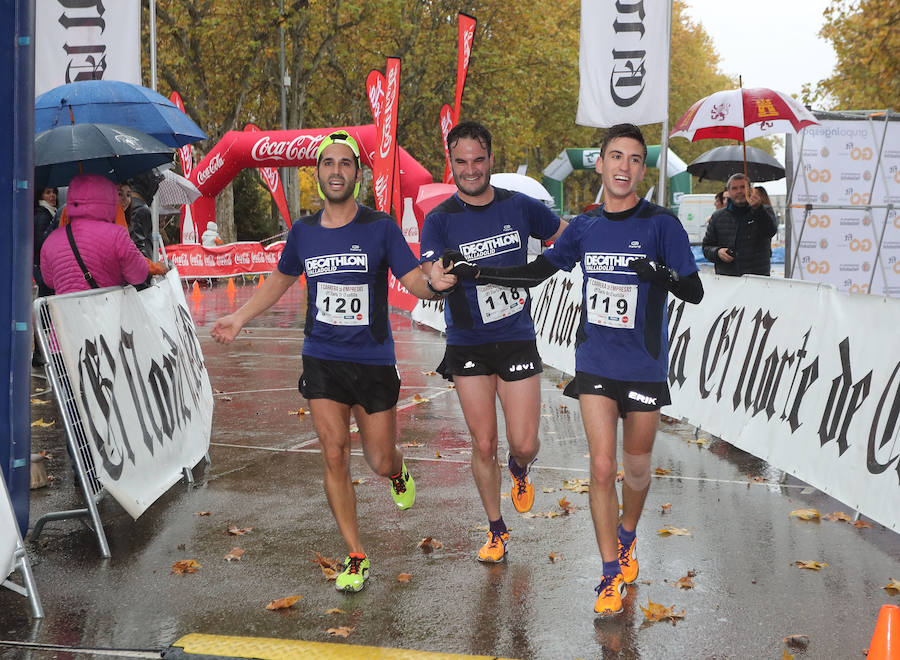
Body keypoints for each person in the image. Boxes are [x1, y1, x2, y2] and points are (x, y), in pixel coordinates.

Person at [437, 123, 704, 615]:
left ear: (641, 170)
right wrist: (477, 272)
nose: (623, 166)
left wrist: (658, 274)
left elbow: (693, 290)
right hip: (596, 361)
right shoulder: (584, 228)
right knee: (602, 467)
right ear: (599, 164)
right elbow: (535, 272)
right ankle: (608, 574)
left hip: (644, 365)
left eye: (633, 159)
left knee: (637, 468)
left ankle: (628, 536)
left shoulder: (661, 225)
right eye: (615, 157)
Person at [210, 131, 456, 593]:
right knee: (334, 452)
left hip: (373, 362)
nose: (336, 171)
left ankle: (398, 470)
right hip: (322, 358)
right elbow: (279, 281)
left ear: (357, 175)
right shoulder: (303, 232)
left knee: (379, 459)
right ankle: (356, 554)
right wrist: (239, 317)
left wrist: (437, 283)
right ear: (317, 173)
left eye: (346, 163)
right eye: (329, 164)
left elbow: (413, 281)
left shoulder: (380, 227)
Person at [419, 120, 567, 564]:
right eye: (461, 162)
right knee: (483, 443)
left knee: (523, 443)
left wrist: (550, 263)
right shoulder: (440, 219)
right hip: (467, 343)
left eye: (478, 160)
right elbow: (429, 270)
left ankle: (520, 470)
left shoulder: (520, 207)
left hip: (516, 336)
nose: (470, 170)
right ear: (452, 163)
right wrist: (437, 278)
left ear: (490, 159)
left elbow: (562, 235)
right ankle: (496, 529)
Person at [40, 174, 149, 295]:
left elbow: (49, 281)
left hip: (66, 311)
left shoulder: (51, 241)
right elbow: (139, 274)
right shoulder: (117, 234)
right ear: (108, 198)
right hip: (107, 309)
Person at [701, 173, 777, 276]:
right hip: (727, 279)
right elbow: (706, 247)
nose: (739, 191)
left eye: (743, 187)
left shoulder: (764, 210)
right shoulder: (717, 216)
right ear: (728, 192)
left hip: (757, 279)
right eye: (735, 188)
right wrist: (717, 252)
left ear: (750, 189)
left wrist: (758, 209)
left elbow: (770, 231)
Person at [32, 187, 59, 366]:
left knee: (45, 310)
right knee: (45, 311)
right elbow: (43, 242)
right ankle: (40, 353)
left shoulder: (47, 213)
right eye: (47, 193)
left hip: (42, 268)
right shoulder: (44, 215)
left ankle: (39, 353)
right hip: (44, 268)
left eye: (54, 192)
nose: (52, 196)